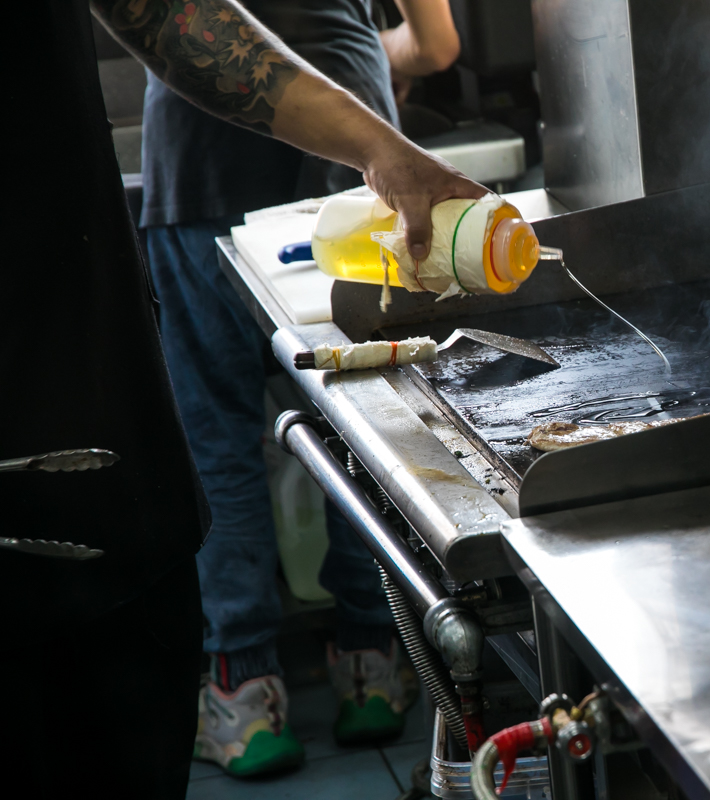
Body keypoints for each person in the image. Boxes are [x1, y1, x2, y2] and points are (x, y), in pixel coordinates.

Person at [40, 0, 480, 788]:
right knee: (362, 419)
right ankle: (375, 665)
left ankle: (243, 694)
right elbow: (437, 44)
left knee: (218, 431)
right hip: (354, 159)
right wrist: (359, 56)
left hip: (202, 148)